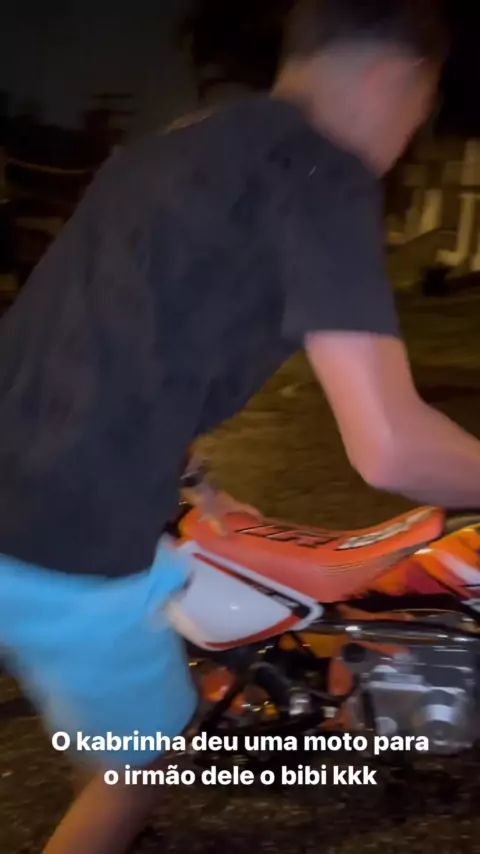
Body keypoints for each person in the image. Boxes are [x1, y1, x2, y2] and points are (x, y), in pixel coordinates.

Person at [1, 1, 478, 852]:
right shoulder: (320, 172)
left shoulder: (170, 148)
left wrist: (195, 480)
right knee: (142, 766)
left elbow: (111, 336)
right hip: (61, 538)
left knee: (119, 717)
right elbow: (391, 445)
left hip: (31, 488)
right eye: (422, 107)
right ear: (395, 78)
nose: (412, 132)